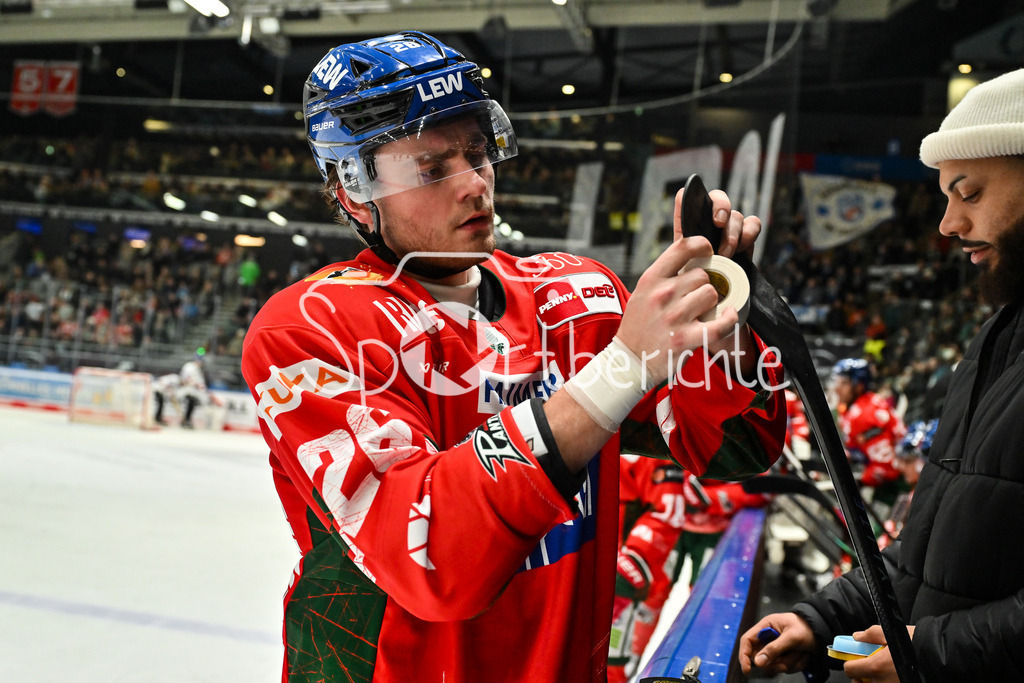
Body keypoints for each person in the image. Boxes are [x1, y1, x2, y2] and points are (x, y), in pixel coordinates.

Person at [240, 31, 787, 682]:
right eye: (432, 166)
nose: (475, 182)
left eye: (477, 151)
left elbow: (738, 448)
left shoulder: (579, 298)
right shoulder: (311, 328)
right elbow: (432, 560)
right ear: (354, 191)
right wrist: (622, 369)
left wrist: (718, 319)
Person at [739, 67, 1024, 682]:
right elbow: (923, 557)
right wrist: (821, 619)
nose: (947, 224)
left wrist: (928, 651)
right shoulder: (996, 337)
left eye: (969, 194)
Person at [609, 455, 688, 683]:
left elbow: (668, 514)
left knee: (614, 664)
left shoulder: (648, 451)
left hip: (628, 586)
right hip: (587, 565)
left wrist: (631, 562)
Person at [830, 357, 907, 513]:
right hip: (888, 479)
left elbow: (887, 465)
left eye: (843, 383)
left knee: (879, 532)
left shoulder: (864, 414)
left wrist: (860, 481)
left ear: (858, 385)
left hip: (896, 485)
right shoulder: (858, 406)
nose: (837, 388)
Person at [153, 354, 212, 428]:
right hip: (157, 389)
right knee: (161, 401)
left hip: (161, 390)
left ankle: (184, 420)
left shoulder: (179, 382)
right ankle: (158, 418)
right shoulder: (175, 378)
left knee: (190, 401)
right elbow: (163, 383)